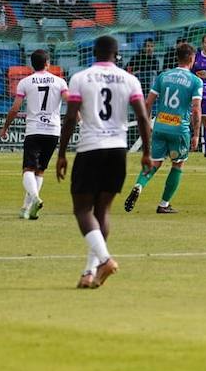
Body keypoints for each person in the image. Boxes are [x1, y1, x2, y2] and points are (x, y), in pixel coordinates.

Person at [56, 35, 153, 289]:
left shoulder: (80, 78)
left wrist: (62, 153)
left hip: (90, 148)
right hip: (118, 150)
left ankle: (106, 259)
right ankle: (89, 272)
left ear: (94, 53)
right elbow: (143, 118)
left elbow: (70, 118)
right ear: (116, 54)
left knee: (82, 210)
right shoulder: (130, 80)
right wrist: (146, 152)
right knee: (103, 212)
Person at [124, 42, 204, 215]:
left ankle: (139, 185)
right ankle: (164, 204)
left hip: (160, 126)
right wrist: (197, 134)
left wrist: (145, 124)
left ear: (177, 57)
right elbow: (196, 109)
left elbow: (148, 103)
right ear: (191, 58)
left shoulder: (163, 76)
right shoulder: (195, 81)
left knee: (155, 162)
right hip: (179, 129)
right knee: (178, 164)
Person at [0, 49, 69, 220]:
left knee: (28, 170)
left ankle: (35, 198)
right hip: (53, 131)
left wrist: (5, 127)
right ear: (48, 63)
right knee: (40, 171)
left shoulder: (25, 82)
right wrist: (81, 120)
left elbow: (15, 108)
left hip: (34, 130)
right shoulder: (60, 82)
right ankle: (26, 208)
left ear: (32, 64)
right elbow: (70, 102)